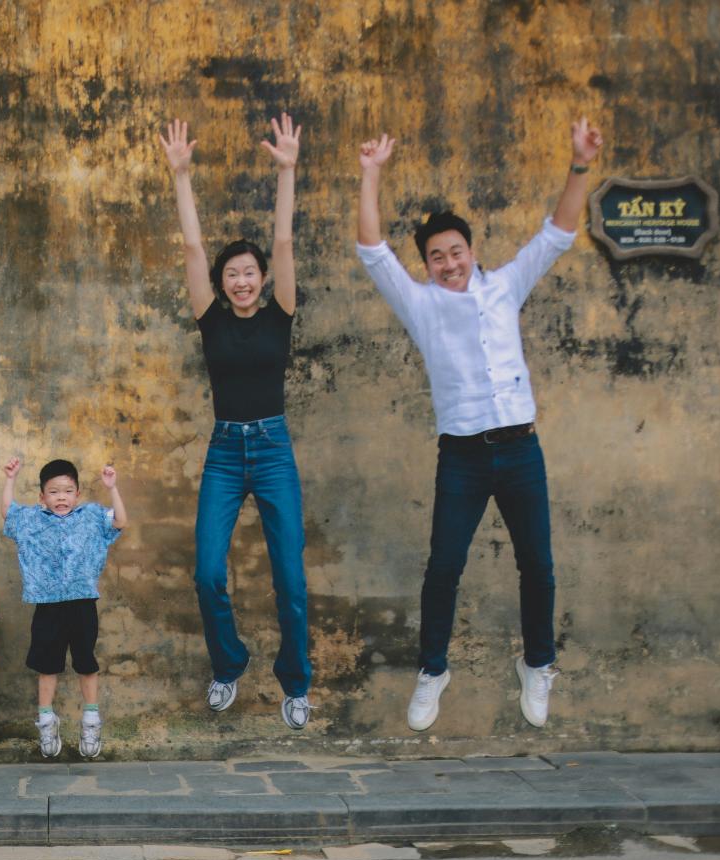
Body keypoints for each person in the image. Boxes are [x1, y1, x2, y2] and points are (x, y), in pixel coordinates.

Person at [354, 118, 604, 731]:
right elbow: (371, 251)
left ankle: (538, 664)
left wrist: (579, 165)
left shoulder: (505, 287)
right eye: (436, 256)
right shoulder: (420, 303)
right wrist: (370, 174)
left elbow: (557, 233)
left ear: (472, 251)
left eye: (455, 252)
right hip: (462, 456)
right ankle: (433, 669)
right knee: (444, 566)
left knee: (538, 565)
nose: (447, 263)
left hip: (522, 450)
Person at [159, 114, 314, 730]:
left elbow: (282, 243)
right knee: (205, 571)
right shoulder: (211, 319)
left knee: (292, 580)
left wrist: (287, 170)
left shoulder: (281, 310)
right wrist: (181, 176)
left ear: (262, 279)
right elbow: (194, 246)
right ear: (221, 286)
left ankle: (295, 683)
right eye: (233, 274)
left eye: (250, 272)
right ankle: (228, 665)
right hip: (226, 451)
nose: (243, 279)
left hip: (273, 447)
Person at [1, 458, 126, 758]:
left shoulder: (91, 516)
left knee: (86, 662)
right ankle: (46, 719)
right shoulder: (32, 520)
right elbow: (8, 515)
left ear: (78, 494)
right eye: (54, 492)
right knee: (47, 665)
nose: (61, 497)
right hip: (47, 605)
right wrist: (10, 480)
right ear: (42, 497)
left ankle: (91, 720)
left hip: (83, 603)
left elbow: (120, 522)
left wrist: (113, 488)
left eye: (68, 491)